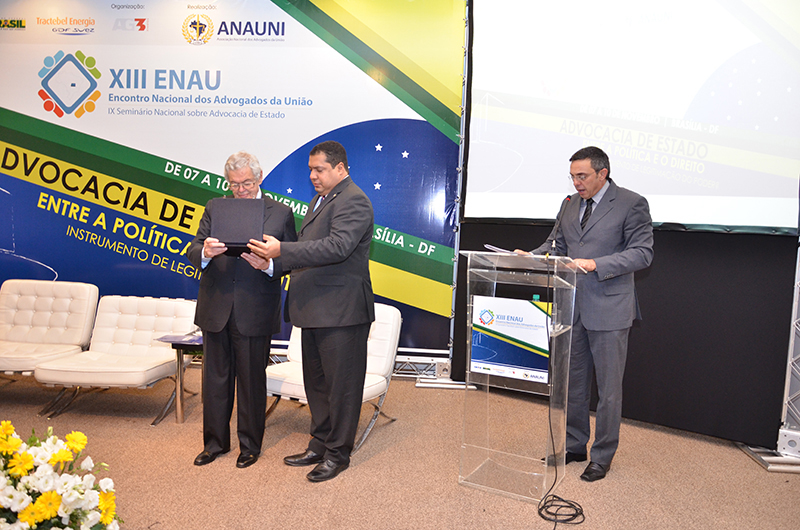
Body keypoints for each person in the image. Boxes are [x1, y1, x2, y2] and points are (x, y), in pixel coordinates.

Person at [518, 146, 653, 482]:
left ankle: (602, 456)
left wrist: (596, 264)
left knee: (608, 389)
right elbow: (556, 246)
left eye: (582, 176)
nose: (576, 183)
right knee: (573, 385)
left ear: (602, 174)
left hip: (610, 308)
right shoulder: (569, 204)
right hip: (572, 305)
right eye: (573, 176)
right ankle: (575, 445)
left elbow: (642, 253)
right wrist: (530, 256)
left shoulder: (631, 203)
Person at [248, 140, 374, 482]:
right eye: (310, 170)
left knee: (341, 389)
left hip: (342, 312)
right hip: (316, 309)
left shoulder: (354, 200)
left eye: (319, 169)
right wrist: (272, 264)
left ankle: (338, 454)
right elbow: (309, 251)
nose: (313, 176)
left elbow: (337, 247)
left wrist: (282, 250)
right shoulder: (320, 200)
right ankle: (319, 444)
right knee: (317, 385)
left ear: (340, 168)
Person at [187, 151, 297, 469]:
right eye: (234, 184)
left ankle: (250, 446)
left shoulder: (281, 213)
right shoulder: (215, 207)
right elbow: (194, 249)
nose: (241, 190)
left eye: (247, 183)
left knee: (251, 382)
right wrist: (205, 253)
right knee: (215, 381)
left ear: (259, 178)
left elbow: (292, 258)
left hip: (255, 308)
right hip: (216, 306)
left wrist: (268, 265)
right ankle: (214, 444)